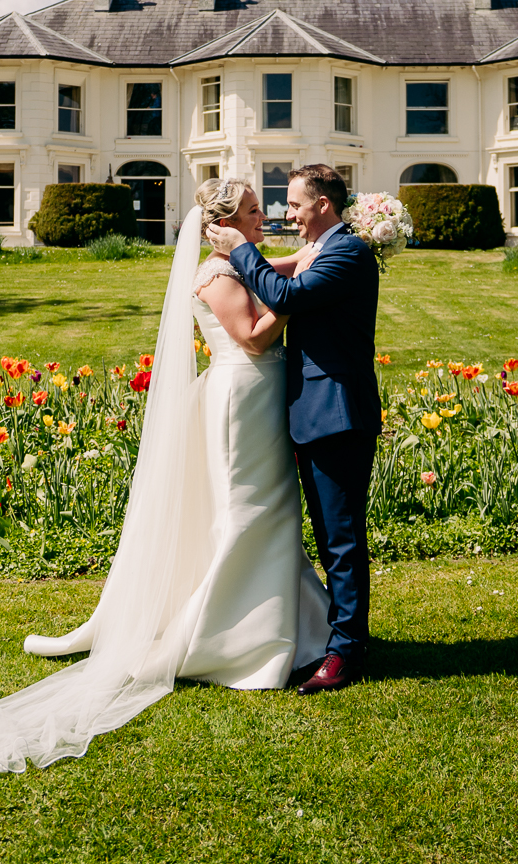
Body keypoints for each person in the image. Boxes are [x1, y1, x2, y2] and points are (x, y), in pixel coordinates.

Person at [0, 180, 330, 772]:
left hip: (261, 399)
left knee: (273, 511)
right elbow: (255, 339)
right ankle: (219, 640)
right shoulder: (214, 274)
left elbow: (276, 263)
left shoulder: (238, 259)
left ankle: (294, 623)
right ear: (226, 222)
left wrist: (309, 259)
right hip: (244, 395)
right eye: (257, 211)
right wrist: (293, 295)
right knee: (248, 511)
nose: (269, 217)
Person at [207, 164, 381, 695]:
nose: (288, 214)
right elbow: (284, 282)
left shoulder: (347, 252)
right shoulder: (324, 249)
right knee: (331, 536)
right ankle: (335, 636)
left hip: (337, 413)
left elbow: (284, 298)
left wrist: (240, 249)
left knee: (342, 538)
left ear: (323, 205)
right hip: (312, 412)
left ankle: (346, 652)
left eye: (296, 204)